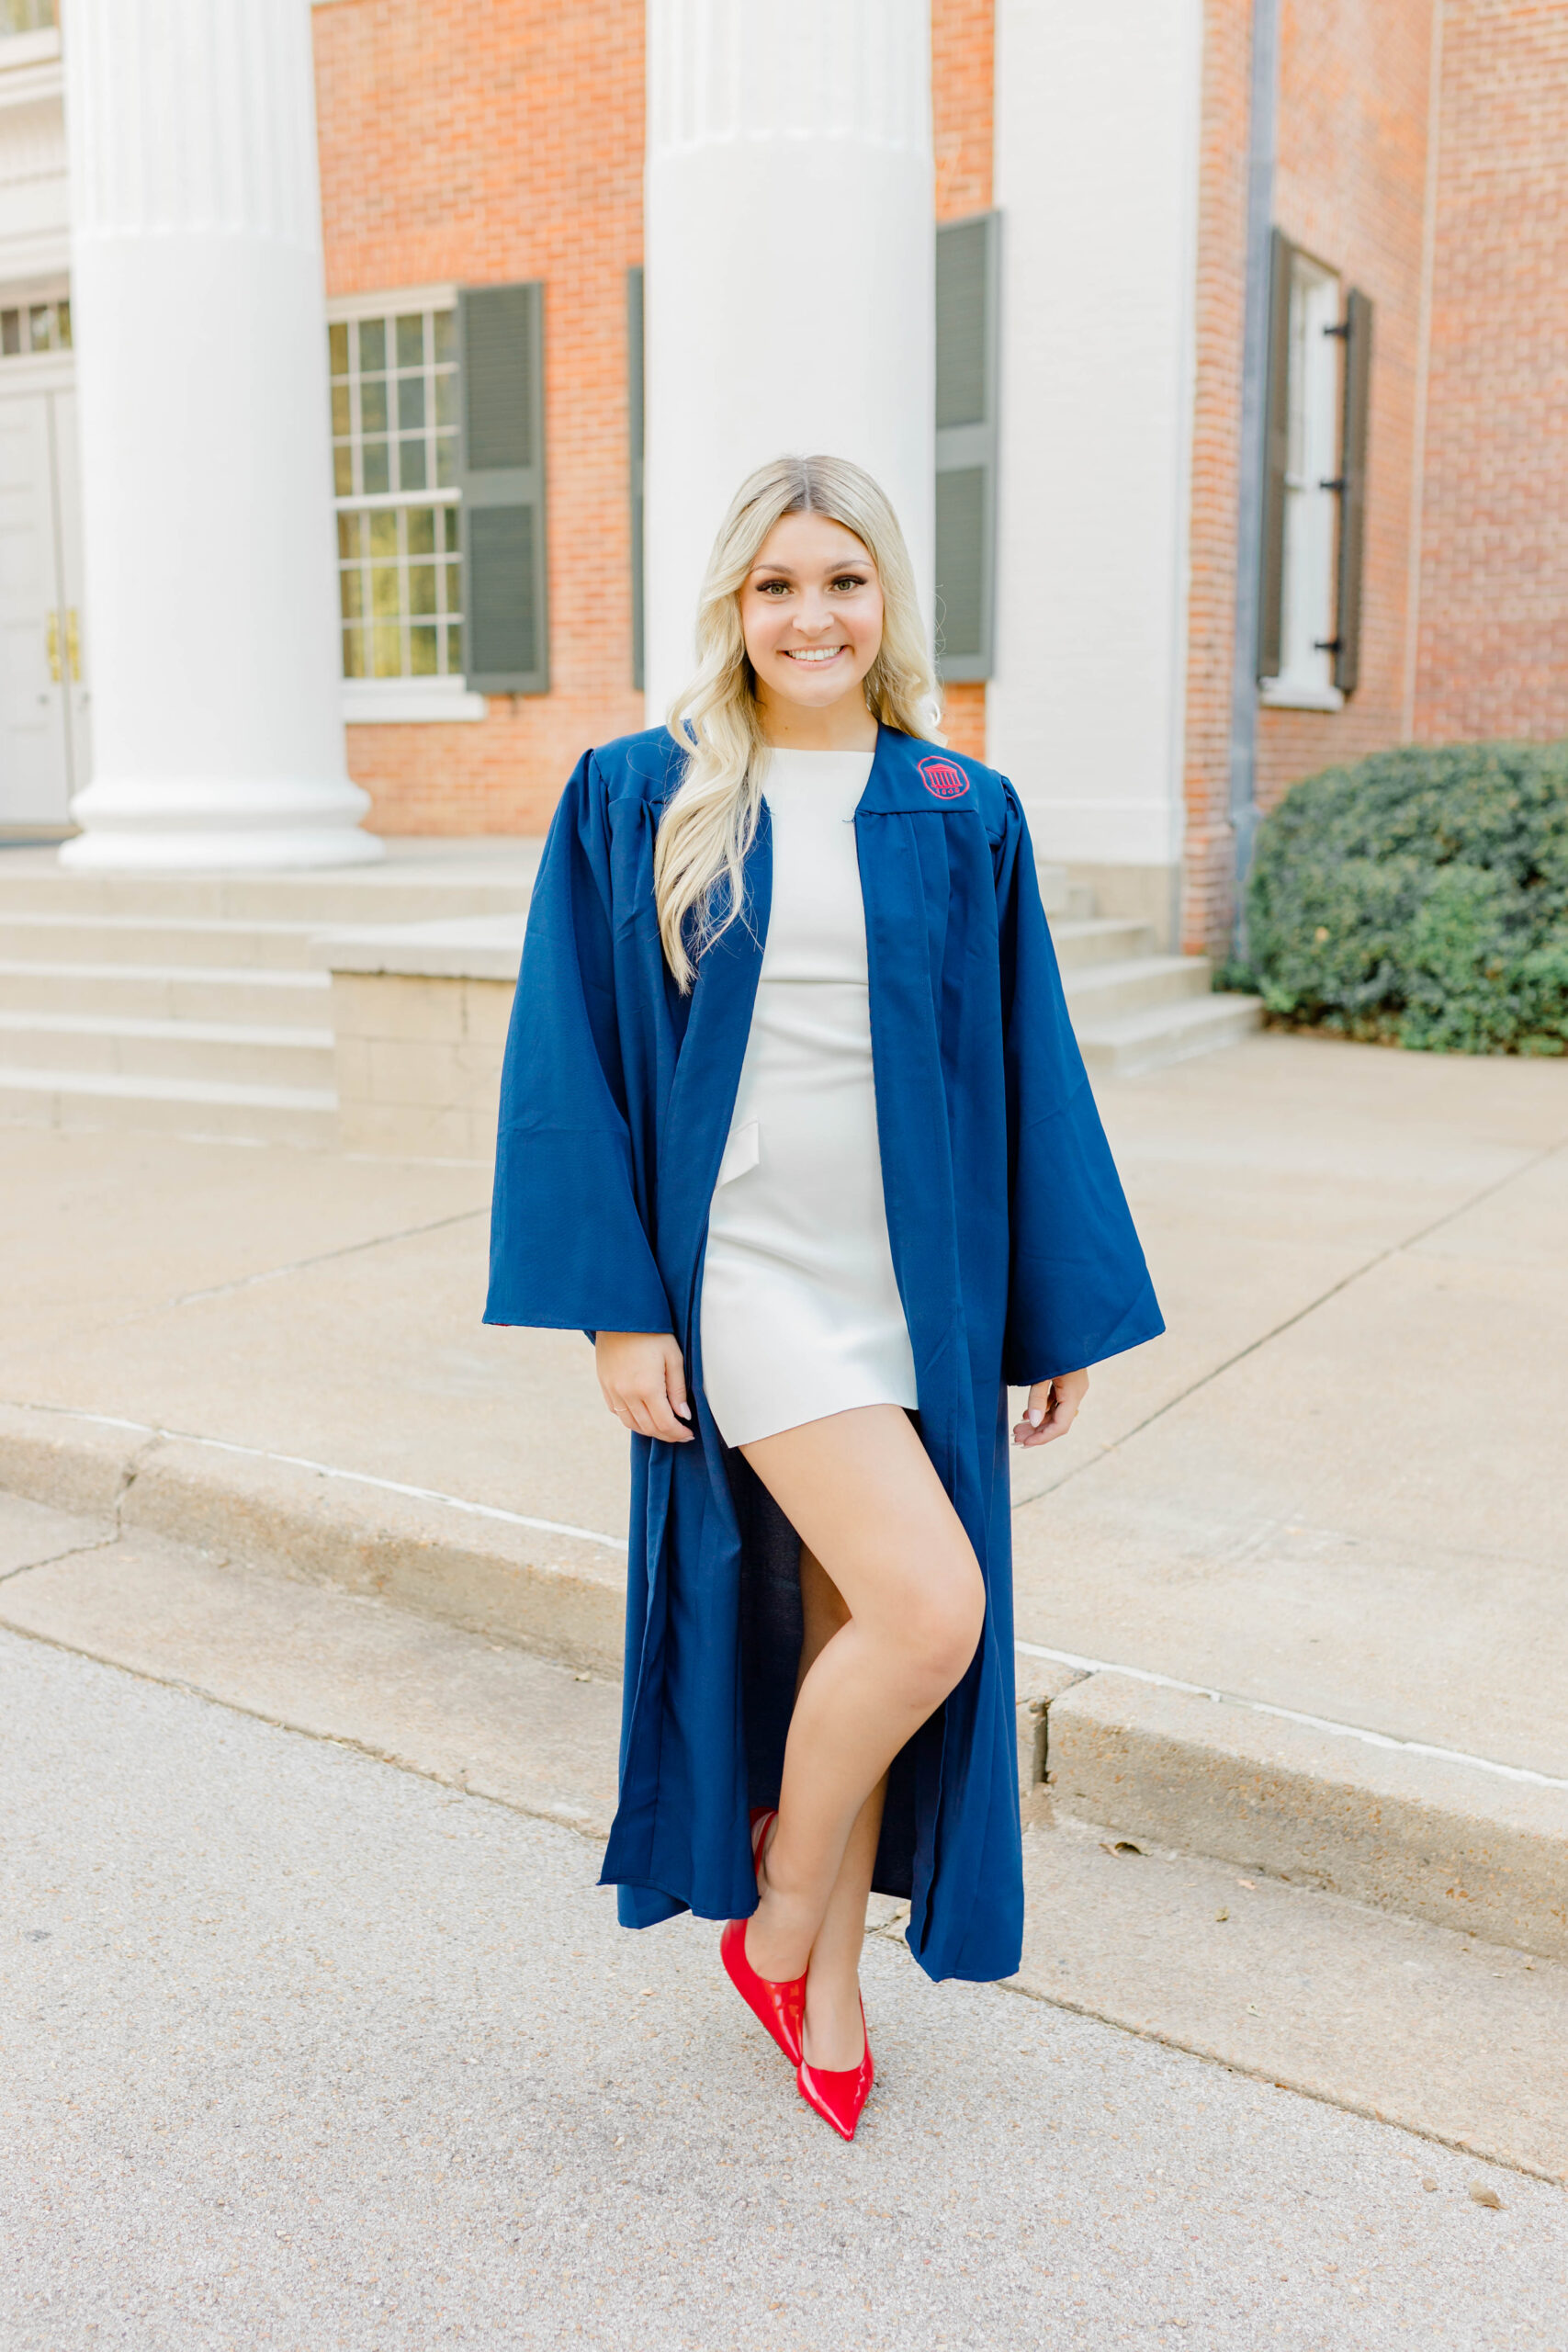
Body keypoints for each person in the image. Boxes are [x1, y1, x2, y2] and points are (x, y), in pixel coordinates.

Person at [486, 454, 1163, 2140]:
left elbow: (1031, 1073)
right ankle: (787, 1904)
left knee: (861, 1620)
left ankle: (824, 1986)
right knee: (940, 1611)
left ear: (887, 605)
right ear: (734, 603)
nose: (811, 615)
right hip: (753, 1276)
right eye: (777, 584)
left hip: (913, 1278)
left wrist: (1046, 1309)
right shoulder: (642, 792)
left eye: (843, 582)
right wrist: (620, 1308)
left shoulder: (956, 803)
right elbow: (566, 1061)